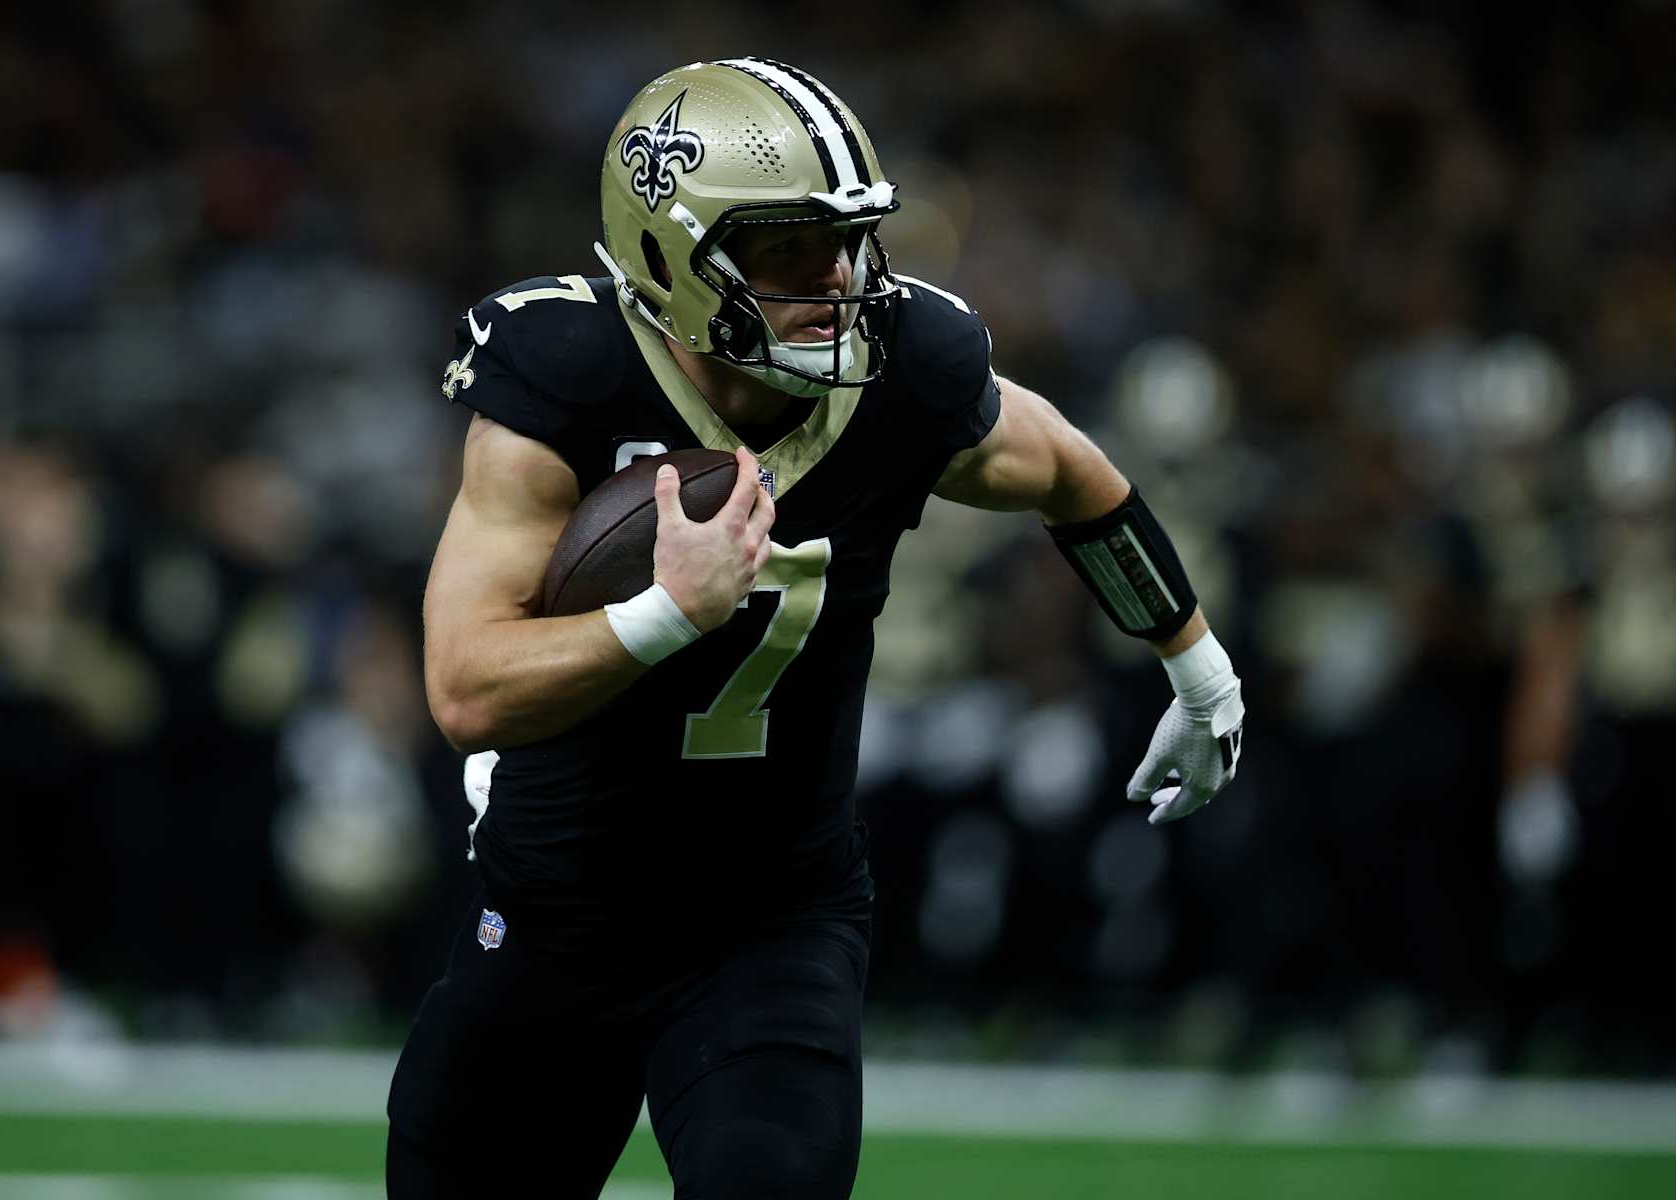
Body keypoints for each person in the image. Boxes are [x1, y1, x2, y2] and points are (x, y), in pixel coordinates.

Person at [387, 57, 1246, 1199]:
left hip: (771, 917)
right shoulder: (570, 377)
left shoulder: (903, 369)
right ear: (668, 258)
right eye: (789, 246)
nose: (837, 277)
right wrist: (662, 614)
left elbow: (1072, 474)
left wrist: (1199, 671)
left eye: (845, 238)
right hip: (556, 907)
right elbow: (464, 689)